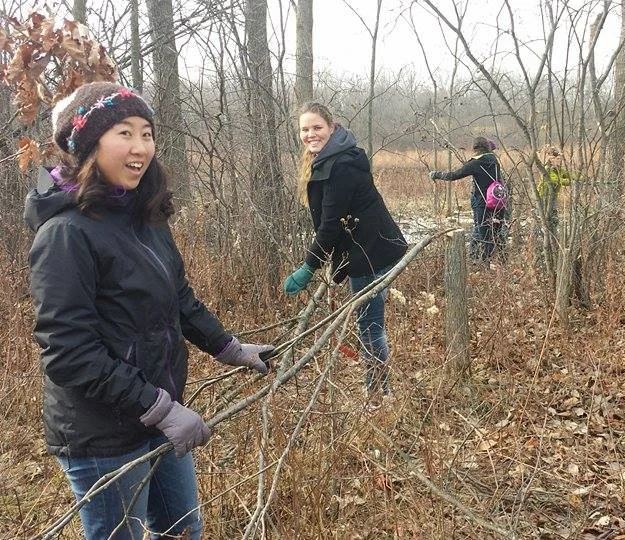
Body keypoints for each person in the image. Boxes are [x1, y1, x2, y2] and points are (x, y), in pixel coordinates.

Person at [26, 82, 275, 540]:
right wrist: (159, 409)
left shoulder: (144, 218)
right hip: (102, 434)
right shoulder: (65, 234)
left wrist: (228, 347)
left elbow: (178, 299)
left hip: (156, 415)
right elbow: (68, 352)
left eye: (147, 132)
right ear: (88, 145)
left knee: (183, 530)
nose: (140, 146)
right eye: (124, 132)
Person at [282, 102, 408, 407]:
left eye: (317, 128)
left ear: (332, 128)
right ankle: (377, 391)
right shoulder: (327, 160)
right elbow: (340, 222)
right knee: (368, 323)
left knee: (370, 326)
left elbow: (329, 226)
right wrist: (336, 267)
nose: (310, 134)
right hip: (365, 249)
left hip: (373, 254)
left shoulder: (341, 166)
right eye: (305, 129)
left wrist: (309, 267)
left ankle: (378, 396)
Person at [429, 136, 507, 265]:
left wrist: (436, 174)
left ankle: (485, 266)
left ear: (475, 149)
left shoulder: (475, 163)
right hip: (499, 201)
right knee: (497, 233)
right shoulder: (494, 160)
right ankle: (501, 262)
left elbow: (453, 175)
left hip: (484, 203)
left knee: (483, 234)